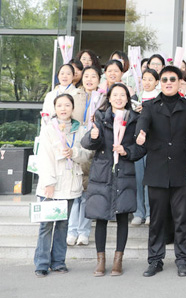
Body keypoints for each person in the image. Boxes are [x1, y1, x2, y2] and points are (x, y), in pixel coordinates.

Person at [134, 65, 186, 278]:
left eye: (172, 79)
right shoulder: (150, 106)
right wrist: (140, 133)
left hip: (181, 169)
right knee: (157, 220)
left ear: (180, 82)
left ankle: (182, 259)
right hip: (158, 169)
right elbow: (142, 123)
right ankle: (155, 260)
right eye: (164, 79)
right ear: (159, 83)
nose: (168, 83)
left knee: (181, 219)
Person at [82, 83, 143, 277]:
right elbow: (87, 143)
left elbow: (142, 148)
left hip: (124, 171)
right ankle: (100, 261)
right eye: (115, 95)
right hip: (103, 173)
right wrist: (93, 137)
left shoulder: (135, 119)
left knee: (123, 216)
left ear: (127, 98)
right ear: (109, 98)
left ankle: (118, 260)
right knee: (101, 218)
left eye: (122, 95)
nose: (118, 98)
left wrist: (127, 151)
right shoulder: (100, 117)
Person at [34, 93, 90, 277]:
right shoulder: (48, 128)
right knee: (46, 226)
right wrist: (49, 183)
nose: (63, 109)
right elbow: (44, 157)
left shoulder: (79, 129)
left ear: (72, 108)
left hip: (70, 185)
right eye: (60, 105)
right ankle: (42, 263)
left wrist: (74, 152)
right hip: (52, 184)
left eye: (67, 105)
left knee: (63, 225)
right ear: (55, 108)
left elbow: (87, 154)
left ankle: (58, 262)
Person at [66, 65, 100, 247]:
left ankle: (84, 232)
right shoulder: (74, 95)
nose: (89, 79)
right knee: (75, 193)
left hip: (94, 146)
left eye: (93, 76)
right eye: (86, 76)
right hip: (76, 146)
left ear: (99, 80)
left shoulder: (103, 97)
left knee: (88, 194)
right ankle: (71, 231)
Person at [132, 68, 159, 226]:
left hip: (153, 144)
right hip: (137, 144)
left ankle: (150, 213)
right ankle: (138, 212)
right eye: (144, 79)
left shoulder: (159, 98)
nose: (147, 82)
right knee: (138, 179)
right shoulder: (135, 97)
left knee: (150, 180)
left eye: (150, 79)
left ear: (156, 82)